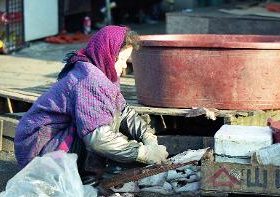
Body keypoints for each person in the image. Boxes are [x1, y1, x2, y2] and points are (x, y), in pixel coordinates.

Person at [14, 25, 168, 174]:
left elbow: (123, 110)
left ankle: (95, 169)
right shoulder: (90, 78)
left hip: (47, 141)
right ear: (108, 54)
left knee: (110, 115)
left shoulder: (100, 70)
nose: (123, 67)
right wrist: (142, 153)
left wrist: (147, 136)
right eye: (121, 60)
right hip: (39, 151)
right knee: (100, 127)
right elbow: (98, 138)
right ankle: (88, 174)